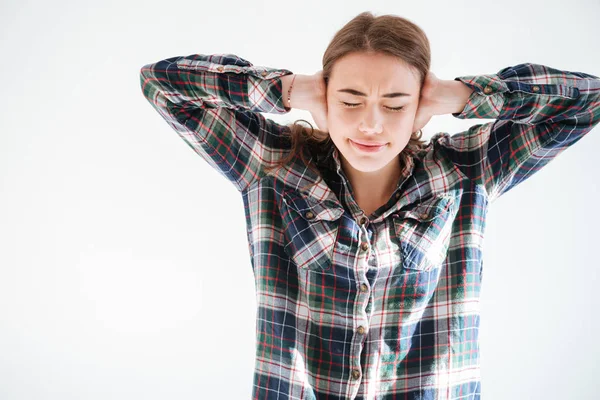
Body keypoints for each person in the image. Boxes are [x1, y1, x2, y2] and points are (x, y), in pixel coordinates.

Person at [139, 11, 600, 400]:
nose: (371, 124)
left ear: (422, 102)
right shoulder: (272, 166)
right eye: (350, 99)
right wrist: (285, 90)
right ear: (324, 95)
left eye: (396, 104)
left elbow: (586, 101)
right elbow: (161, 84)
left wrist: (464, 96)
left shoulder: (466, 173)